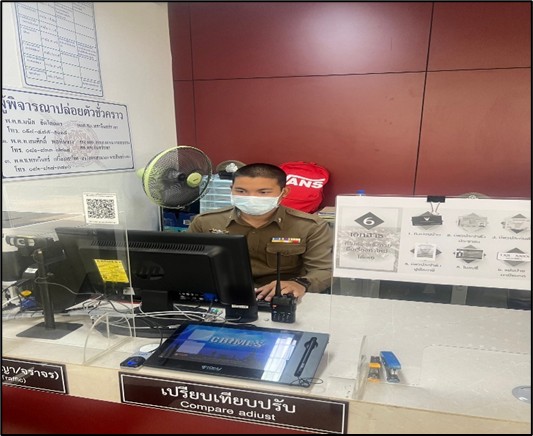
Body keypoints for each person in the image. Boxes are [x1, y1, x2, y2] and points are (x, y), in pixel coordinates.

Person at [187, 163, 333, 302]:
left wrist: (299, 284)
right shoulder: (205, 222)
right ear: (231, 189)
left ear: (284, 192)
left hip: (281, 297)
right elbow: (186, 263)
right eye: (241, 191)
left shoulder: (310, 226)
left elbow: (323, 270)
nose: (251, 198)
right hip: (220, 296)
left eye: (263, 192)